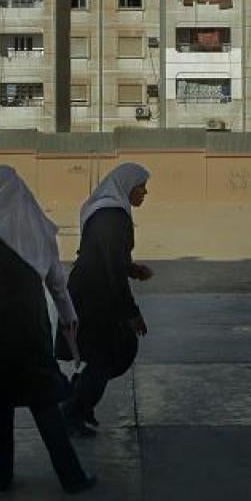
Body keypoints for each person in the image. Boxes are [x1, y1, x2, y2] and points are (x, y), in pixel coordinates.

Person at [0, 164, 96, 494]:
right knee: (43, 400)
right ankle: (72, 477)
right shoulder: (40, 228)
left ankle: (1, 475)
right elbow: (57, 284)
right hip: (29, 326)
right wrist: (70, 321)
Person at [56, 162, 151, 437]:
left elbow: (107, 256)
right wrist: (131, 312)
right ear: (127, 185)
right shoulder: (112, 216)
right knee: (104, 358)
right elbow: (110, 267)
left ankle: (78, 401)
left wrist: (131, 269)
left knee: (108, 355)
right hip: (95, 296)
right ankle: (73, 410)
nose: (145, 192)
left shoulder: (111, 211)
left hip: (95, 292)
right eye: (141, 186)